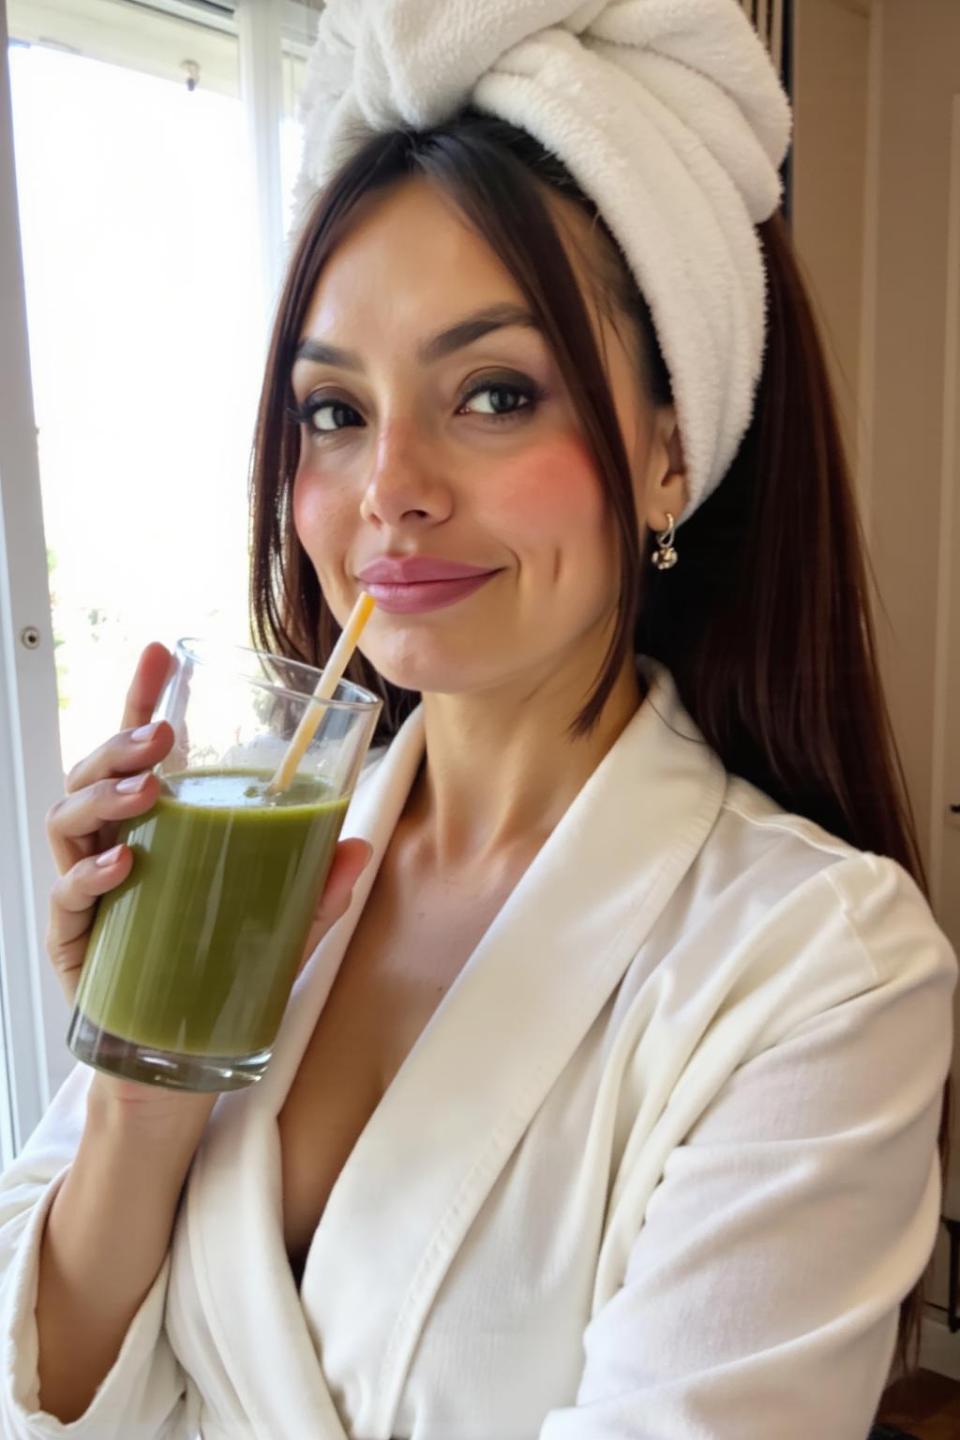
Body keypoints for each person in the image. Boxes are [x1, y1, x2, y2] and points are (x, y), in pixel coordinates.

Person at [0, 1, 956, 1436]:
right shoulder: (245, 853)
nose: (390, 488)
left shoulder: (818, 966)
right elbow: (46, 1388)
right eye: (335, 411)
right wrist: (146, 1068)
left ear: (671, 449)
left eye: (495, 394)